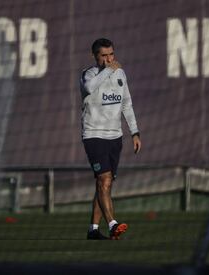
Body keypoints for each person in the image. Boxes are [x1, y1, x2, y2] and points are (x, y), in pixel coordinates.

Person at [80, 38, 141, 240]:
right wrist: (108, 69)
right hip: (94, 135)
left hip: (115, 137)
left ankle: (93, 230)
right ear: (95, 56)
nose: (109, 59)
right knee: (103, 179)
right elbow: (90, 88)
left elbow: (127, 104)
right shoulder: (88, 75)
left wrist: (135, 132)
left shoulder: (120, 73)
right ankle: (113, 224)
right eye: (104, 55)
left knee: (105, 184)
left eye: (111, 54)